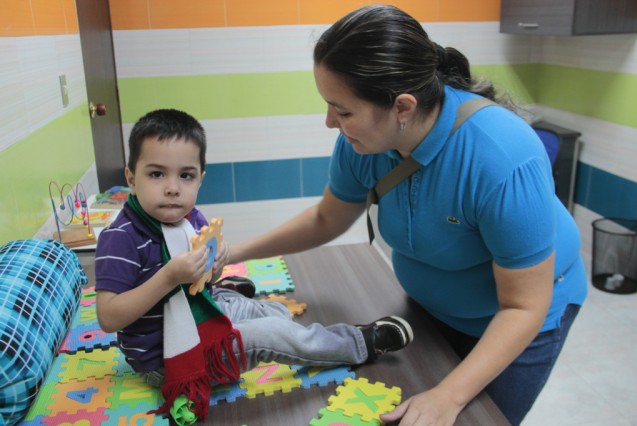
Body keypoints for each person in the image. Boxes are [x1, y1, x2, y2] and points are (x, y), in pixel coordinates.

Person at [226, 5, 588, 426]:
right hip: (430, 310)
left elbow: (524, 306)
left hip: (521, 320)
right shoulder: (362, 143)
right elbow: (328, 218)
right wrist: (237, 250)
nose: (330, 122)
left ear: (402, 107)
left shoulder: (501, 156)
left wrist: (447, 397)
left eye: (342, 110)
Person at [93, 108, 414, 422]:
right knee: (272, 333)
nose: (173, 187)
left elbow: (200, 277)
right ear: (131, 179)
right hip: (165, 357)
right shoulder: (120, 239)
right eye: (156, 174)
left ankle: (234, 294)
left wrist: (214, 268)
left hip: (199, 308)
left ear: (200, 179)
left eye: (185, 175)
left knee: (276, 313)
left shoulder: (189, 217)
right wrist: (168, 278)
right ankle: (359, 343)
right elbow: (109, 317)